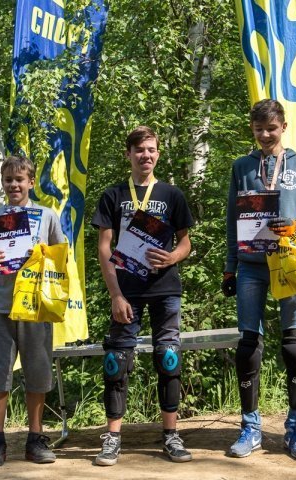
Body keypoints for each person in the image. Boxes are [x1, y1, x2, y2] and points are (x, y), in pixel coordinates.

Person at [222, 99, 296, 460]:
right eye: (259, 129)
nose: (265, 135)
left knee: (294, 344)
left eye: (271, 128)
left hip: (290, 262)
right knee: (247, 344)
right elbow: (232, 221)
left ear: (284, 127)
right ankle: (250, 427)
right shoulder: (241, 167)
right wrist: (230, 267)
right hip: (251, 265)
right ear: (252, 129)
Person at [91, 126, 195, 466]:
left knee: (168, 357)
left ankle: (171, 435)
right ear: (129, 154)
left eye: (151, 149)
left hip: (165, 287)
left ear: (158, 154)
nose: (145, 155)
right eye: (139, 150)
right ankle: (112, 438)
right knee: (116, 361)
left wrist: (173, 256)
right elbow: (104, 247)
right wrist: (115, 294)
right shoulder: (114, 195)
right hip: (127, 290)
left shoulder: (172, 194)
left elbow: (185, 241)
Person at [0, 155, 64, 468]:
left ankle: (35, 439)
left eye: (19, 179)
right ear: (2, 182)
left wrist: (41, 254)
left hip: (35, 306)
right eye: (8, 180)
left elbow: (61, 256)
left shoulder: (47, 216)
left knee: (38, 373)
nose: (14, 185)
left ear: (31, 182)